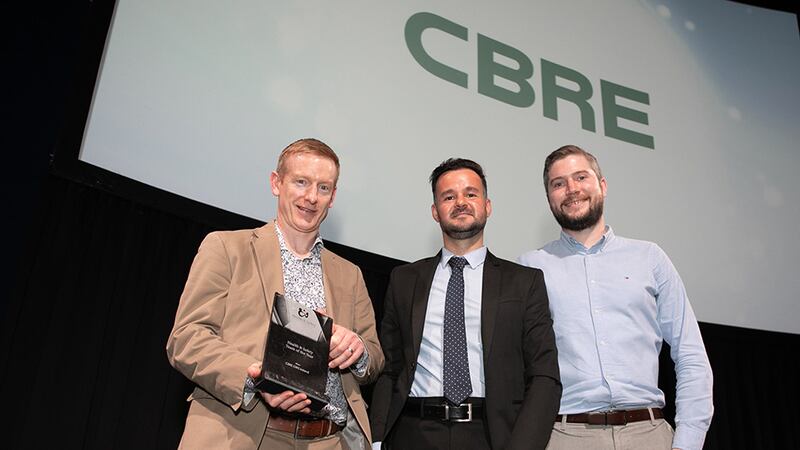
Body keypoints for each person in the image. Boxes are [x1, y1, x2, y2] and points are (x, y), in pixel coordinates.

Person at [166, 138, 384, 449]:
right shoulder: (227, 248)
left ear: (333, 197)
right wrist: (253, 378)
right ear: (276, 183)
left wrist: (358, 351)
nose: (311, 197)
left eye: (323, 188)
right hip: (245, 434)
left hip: (330, 440)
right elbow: (186, 338)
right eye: (301, 182)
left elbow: (375, 357)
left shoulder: (350, 275)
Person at [518, 145, 713, 450]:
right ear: (549, 198)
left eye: (581, 177)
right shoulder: (531, 267)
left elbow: (690, 355)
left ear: (603, 185)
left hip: (650, 434)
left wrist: (688, 442)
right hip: (566, 437)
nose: (571, 189)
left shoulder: (650, 258)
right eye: (559, 183)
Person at [370, 158, 562, 450]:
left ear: (487, 206)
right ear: (436, 212)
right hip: (412, 433)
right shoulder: (404, 279)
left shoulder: (525, 282)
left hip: (491, 436)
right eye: (449, 196)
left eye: (471, 194)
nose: (460, 202)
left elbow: (544, 376)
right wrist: (377, 439)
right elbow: (390, 368)